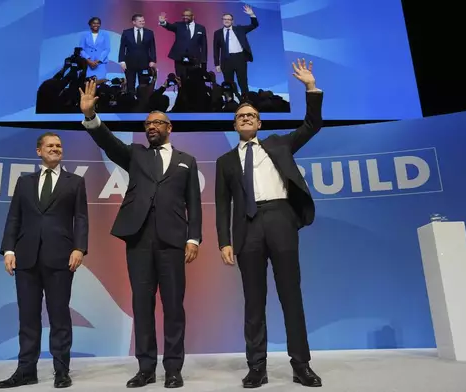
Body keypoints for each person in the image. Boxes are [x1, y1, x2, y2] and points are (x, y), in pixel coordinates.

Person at [79, 79, 202, 389]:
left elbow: (194, 206)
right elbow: (107, 142)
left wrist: (193, 238)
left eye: (157, 123)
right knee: (142, 306)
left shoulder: (187, 162)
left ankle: (173, 368)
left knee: (174, 306)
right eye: (147, 123)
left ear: (169, 127)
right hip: (139, 240)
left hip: (173, 241)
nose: (151, 127)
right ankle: (146, 368)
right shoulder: (136, 154)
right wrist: (92, 117)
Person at [214, 58, 324, 389]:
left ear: (259, 123)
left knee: (291, 295)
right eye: (239, 116)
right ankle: (256, 367)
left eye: (250, 115)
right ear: (235, 125)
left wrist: (310, 88)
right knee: (253, 300)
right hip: (246, 227)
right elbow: (222, 204)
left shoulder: (278, 143)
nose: (245, 119)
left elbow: (311, 125)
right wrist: (224, 240)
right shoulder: (225, 161)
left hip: (280, 219)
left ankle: (301, 364)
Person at [0, 133, 89, 389]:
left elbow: (81, 218)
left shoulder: (75, 182)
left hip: (61, 257)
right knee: (27, 317)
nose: (55, 149)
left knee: (59, 316)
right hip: (26, 257)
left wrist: (80, 247)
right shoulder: (24, 182)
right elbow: (14, 217)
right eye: (50, 145)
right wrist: (8, 250)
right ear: (39, 151)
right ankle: (26, 370)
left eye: (59, 145)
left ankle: (61, 370)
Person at [213, 5, 259, 97]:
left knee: (243, 81)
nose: (226, 20)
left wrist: (252, 14)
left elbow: (254, 25)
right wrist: (217, 64)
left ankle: (246, 100)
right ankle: (230, 102)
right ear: (222, 20)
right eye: (224, 19)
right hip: (226, 60)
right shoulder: (218, 33)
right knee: (228, 83)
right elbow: (216, 49)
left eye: (229, 19)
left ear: (232, 21)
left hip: (240, 58)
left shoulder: (240, 29)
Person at [158, 8, 207, 81]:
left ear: (193, 16)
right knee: (181, 79)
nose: (185, 17)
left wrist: (203, 60)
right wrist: (163, 22)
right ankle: (181, 92)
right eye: (183, 15)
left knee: (194, 80)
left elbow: (204, 45)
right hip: (179, 58)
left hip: (194, 59)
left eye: (187, 15)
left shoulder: (201, 28)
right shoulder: (178, 25)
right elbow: (169, 26)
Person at [118, 13, 157, 94]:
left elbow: (152, 48)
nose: (143, 22)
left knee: (144, 85)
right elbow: (122, 48)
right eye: (140, 21)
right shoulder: (126, 33)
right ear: (134, 22)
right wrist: (122, 61)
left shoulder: (149, 33)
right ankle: (131, 102)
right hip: (129, 63)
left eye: (143, 21)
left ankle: (143, 103)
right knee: (130, 85)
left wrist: (153, 60)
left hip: (145, 63)